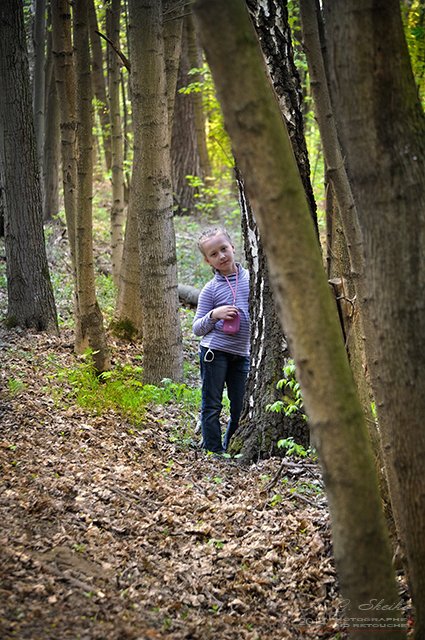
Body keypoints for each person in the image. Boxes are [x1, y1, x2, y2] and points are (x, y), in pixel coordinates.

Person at [193, 227, 250, 455]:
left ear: (233, 247)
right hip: (214, 352)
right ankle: (213, 451)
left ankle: (231, 446)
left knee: (241, 407)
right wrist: (214, 315)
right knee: (212, 404)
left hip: (243, 354)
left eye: (224, 249)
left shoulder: (251, 279)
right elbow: (197, 328)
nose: (222, 256)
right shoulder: (210, 290)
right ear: (208, 260)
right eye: (214, 254)